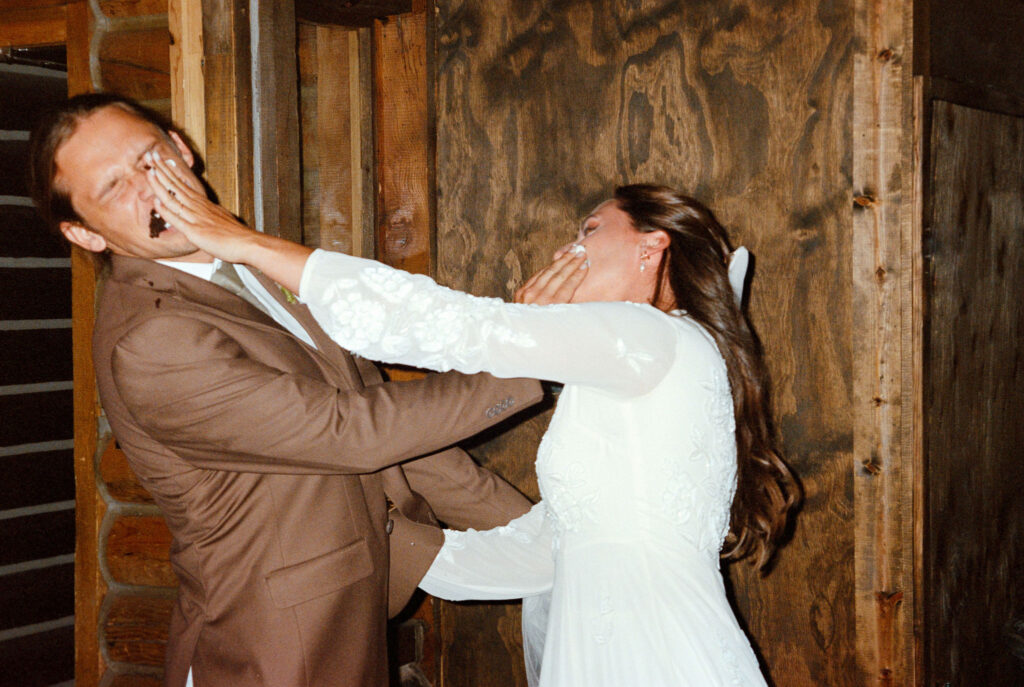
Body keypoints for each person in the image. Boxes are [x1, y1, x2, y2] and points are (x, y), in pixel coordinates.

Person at [147, 147, 800, 686]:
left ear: (650, 248)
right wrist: (383, 541)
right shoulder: (643, 359)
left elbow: (440, 325)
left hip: (651, 655)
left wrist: (242, 241)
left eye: (590, 231)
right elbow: (549, 548)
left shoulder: (648, 335)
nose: (566, 251)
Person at [28, 93, 545, 687]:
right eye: (114, 188)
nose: (151, 190)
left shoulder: (245, 260)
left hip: (349, 588)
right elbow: (351, 431)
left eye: (150, 159)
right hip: (269, 642)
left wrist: (538, 534)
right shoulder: (150, 339)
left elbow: (394, 432)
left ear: (182, 148)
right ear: (85, 234)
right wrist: (532, 357)